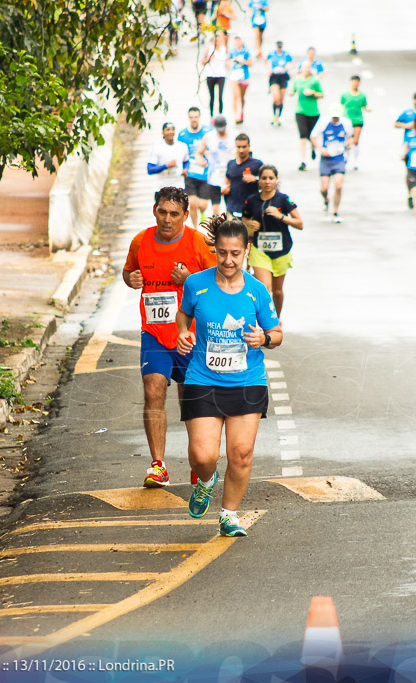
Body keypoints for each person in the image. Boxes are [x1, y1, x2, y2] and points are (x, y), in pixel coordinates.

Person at [176, 216, 283, 537]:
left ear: (246, 251)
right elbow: (184, 313)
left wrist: (263, 339)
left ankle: (229, 514)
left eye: (235, 253)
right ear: (215, 250)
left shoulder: (257, 291)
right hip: (202, 379)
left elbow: (277, 334)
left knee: (241, 455)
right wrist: (183, 332)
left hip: (247, 381)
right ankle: (207, 481)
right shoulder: (196, 284)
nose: (228, 260)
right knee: (202, 456)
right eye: (222, 252)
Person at [123, 187, 217, 488]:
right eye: (162, 212)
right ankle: (158, 465)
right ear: (154, 210)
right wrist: (131, 279)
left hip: (190, 334)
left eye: (174, 214)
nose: (167, 219)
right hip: (154, 332)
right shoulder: (141, 241)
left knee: (190, 398)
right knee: (153, 390)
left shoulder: (197, 242)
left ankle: (198, 462)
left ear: (185, 216)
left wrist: (188, 279)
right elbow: (129, 272)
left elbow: (220, 285)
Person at [243, 164, 303, 316]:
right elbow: (244, 218)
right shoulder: (251, 200)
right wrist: (249, 223)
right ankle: (264, 320)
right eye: (264, 178)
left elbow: (300, 223)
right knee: (265, 287)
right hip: (260, 249)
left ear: (276, 180)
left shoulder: (283, 200)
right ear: (259, 181)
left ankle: (276, 318)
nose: (268, 181)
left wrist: (281, 216)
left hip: (281, 251)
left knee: (276, 291)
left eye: (271, 178)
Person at [310, 104, 352, 223]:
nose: (335, 119)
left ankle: (335, 210)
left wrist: (349, 143)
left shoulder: (346, 123)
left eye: (337, 117)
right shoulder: (323, 122)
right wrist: (320, 148)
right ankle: (326, 199)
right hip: (326, 159)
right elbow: (313, 136)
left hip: (339, 158)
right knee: (324, 188)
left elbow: (350, 137)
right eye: (333, 117)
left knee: (338, 186)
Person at [179, 107, 214, 228]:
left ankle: (203, 213)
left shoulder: (208, 132)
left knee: (202, 205)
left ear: (199, 117)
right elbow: (179, 153)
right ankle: (195, 228)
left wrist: (208, 156)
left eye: (196, 117)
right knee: (192, 204)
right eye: (191, 117)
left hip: (205, 173)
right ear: (189, 118)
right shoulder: (183, 135)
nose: (194, 120)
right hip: (190, 174)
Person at [196, 115, 236, 219]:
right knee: (215, 209)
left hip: (230, 177)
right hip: (214, 177)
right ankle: (216, 230)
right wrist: (201, 161)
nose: (221, 131)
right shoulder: (209, 137)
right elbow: (199, 153)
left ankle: (230, 229)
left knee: (230, 208)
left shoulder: (234, 135)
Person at [395, 91, 416, 208]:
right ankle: (411, 193)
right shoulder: (407, 113)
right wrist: (406, 126)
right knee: (410, 172)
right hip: (410, 148)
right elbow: (396, 123)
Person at [290, 61, 322, 171]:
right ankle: (303, 161)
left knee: (312, 135)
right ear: (301, 69)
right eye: (304, 67)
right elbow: (293, 90)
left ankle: (313, 148)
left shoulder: (315, 80)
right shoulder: (297, 79)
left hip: (313, 112)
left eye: (308, 68)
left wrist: (313, 93)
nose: (306, 69)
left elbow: (321, 94)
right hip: (300, 111)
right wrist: (291, 92)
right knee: (302, 136)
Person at [223, 133, 263, 218]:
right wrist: (224, 187)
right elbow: (227, 179)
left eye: (244, 147)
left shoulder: (257, 164)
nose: (241, 150)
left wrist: (255, 179)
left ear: (249, 146)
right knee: (231, 231)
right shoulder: (231, 164)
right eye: (238, 147)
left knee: (249, 231)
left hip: (250, 209)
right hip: (232, 208)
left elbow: (268, 183)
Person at [146, 122, 190, 193]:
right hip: (162, 188)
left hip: (178, 187)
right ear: (163, 133)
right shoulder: (157, 148)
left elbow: (186, 161)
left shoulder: (182, 146)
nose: (171, 132)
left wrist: (185, 169)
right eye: (168, 129)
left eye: (172, 129)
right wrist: (166, 166)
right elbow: (150, 169)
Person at [340, 75, 370, 171]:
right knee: (347, 141)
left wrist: (368, 109)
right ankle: (345, 158)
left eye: (357, 82)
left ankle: (355, 161)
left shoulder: (362, 96)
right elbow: (341, 106)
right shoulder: (345, 94)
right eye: (353, 81)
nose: (355, 83)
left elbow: (364, 106)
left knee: (355, 141)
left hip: (357, 120)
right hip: (346, 120)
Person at [202, 32, 229, 117]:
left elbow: (227, 61)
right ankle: (211, 116)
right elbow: (203, 62)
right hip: (210, 75)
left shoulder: (224, 49)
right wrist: (209, 58)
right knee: (212, 97)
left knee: (220, 96)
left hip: (221, 75)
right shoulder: (209, 49)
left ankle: (220, 115)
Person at [228, 35, 254, 124]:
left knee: (241, 97)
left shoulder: (246, 51)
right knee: (235, 96)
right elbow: (228, 61)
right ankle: (236, 115)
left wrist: (242, 61)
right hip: (234, 75)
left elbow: (251, 63)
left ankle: (241, 111)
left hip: (244, 76)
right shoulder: (232, 51)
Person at [266, 41, 293, 126]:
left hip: (283, 76)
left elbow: (292, 62)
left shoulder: (286, 54)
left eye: (280, 47)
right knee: (276, 97)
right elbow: (265, 60)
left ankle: (279, 116)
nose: (279, 48)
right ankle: (274, 115)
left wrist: (288, 67)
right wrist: (268, 69)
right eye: (278, 47)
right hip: (274, 76)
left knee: (281, 98)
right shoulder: (272, 54)